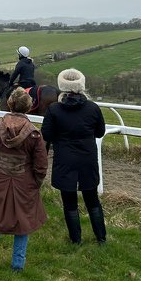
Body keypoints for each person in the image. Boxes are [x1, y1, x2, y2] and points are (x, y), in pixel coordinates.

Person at [0, 88, 48, 271]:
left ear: (9, 104)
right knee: (23, 221)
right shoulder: (34, 133)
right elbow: (41, 165)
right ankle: (18, 264)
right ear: (28, 106)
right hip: (24, 183)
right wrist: (35, 182)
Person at [41, 68, 107, 244]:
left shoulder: (54, 109)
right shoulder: (93, 108)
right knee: (92, 199)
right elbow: (100, 132)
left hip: (64, 158)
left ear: (62, 86)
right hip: (88, 157)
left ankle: (75, 240)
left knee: (69, 201)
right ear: (81, 85)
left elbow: (46, 134)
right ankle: (101, 237)